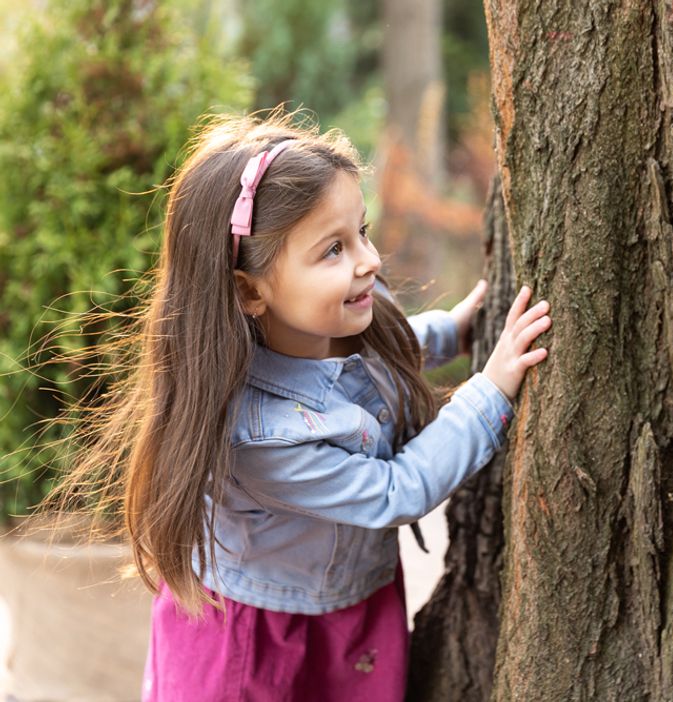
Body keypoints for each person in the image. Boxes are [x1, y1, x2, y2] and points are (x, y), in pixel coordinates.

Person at [52, 112, 552, 701]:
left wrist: (458, 329)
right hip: (259, 648)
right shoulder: (263, 439)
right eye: (333, 249)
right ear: (248, 289)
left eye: (361, 232)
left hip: (346, 616)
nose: (368, 260)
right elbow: (398, 491)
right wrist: (490, 390)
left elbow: (379, 356)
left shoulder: (334, 317)